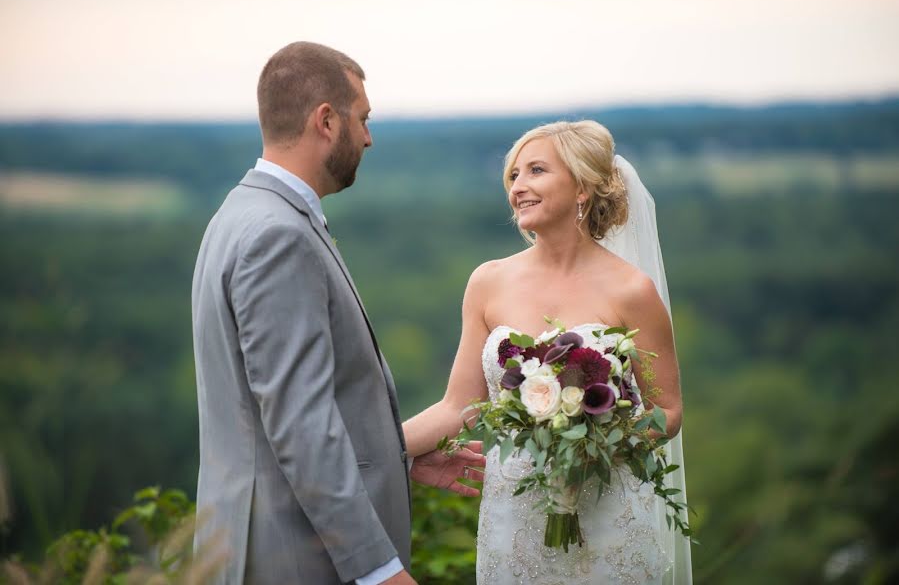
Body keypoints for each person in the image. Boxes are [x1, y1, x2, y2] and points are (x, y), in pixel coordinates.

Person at [191, 41, 484, 585]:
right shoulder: (278, 235)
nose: (369, 136)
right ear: (326, 120)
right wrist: (378, 570)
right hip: (295, 558)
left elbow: (267, 414)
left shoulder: (237, 213)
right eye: (363, 118)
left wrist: (396, 460)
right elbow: (301, 425)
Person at [402, 120, 693, 583]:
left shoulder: (632, 290)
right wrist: (381, 449)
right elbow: (459, 407)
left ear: (582, 187)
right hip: (514, 516)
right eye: (514, 175)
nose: (519, 187)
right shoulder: (487, 282)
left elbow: (668, 410)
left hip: (609, 513)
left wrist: (593, 443)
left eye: (536, 171)